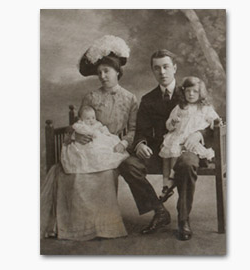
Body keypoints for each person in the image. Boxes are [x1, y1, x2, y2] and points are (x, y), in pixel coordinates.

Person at [41, 35, 138, 241]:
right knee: (74, 173)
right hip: (89, 146)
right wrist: (77, 135)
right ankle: (79, 225)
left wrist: (124, 142)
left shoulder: (130, 98)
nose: (103, 76)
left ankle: (103, 225)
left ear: (117, 72)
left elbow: (133, 129)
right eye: (99, 72)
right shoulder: (91, 97)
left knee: (103, 173)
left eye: (107, 71)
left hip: (112, 147)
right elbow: (81, 122)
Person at [119, 49, 214, 241]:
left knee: (187, 163)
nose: (162, 72)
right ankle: (159, 210)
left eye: (166, 67)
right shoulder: (148, 99)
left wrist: (199, 134)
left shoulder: (191, 90)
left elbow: (212, 122)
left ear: (175, 68)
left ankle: (183, 218)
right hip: (160, 152)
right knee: (128, 165)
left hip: (188, 148)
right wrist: (140, 144)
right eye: (157, 68)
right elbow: (142, 131)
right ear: (153, 72)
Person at [158, 76, 220, 202]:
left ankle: (172, 178)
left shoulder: (205, 108)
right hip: (177, 136)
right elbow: (168, 124)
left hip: (190, 141)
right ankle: (166, 184)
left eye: (195, 91)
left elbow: (215, 122)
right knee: (167, 154)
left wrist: (214, 122)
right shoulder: (180, 107)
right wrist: (173, 122)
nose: (191, 94)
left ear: (200, 92)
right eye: (188, 91)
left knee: (177, 153)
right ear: (183, 92)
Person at [61, 105, 129, 174]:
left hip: (99, 139)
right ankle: (94, 163)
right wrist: (77, 134)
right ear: (81, 119)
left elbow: (103, 129)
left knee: (107, 147)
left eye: (93, 118)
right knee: (91, 151)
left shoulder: (97, 123)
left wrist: (107, 134)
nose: (91, 120)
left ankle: (104, 161)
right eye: (88, 119)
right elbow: (78, 130)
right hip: (86, 142)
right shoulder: (80, 125)